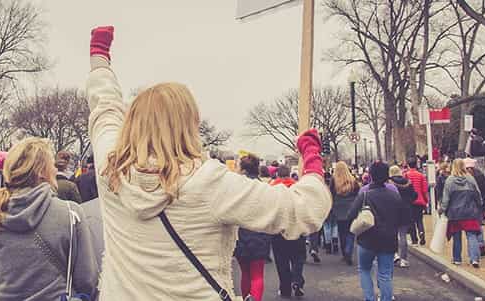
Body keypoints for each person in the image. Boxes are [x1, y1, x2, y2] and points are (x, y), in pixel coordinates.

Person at [88, 26, 331, 300]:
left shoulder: (111, 171)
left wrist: (99, 59)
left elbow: (104, 108)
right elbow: (306, 210)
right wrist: (311, 157)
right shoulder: (207, 183)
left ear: (132, 122)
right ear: (188, 125)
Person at [0, 138, 99, 300]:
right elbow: (87, 280)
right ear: (42, 171)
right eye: (52, 165)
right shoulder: (71, 213)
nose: (55, 169)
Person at [347, 161, 408, 301]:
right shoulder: (395, 195)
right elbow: (404, 219)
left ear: (371, 176)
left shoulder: (365, 195)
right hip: (388, 239)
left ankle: (369, 298)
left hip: (367, 239)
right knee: (385, 274)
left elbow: (350, 214)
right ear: (387, 176)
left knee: (364, 270)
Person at [233, 154, 273, 301]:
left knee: (245, 273)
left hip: (241, 233)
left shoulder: (236, 189)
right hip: (260, 233)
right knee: (257, 275)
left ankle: (245, 298)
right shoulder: (264, 188)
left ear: (243, 170)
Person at [269, 165, 308, 298]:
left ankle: (285, 288)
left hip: (279, 231)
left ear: (278, 175)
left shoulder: (272, 189)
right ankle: (297, 280)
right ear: (290, 174)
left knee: (281, 261)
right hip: (297, 228)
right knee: (298, 258)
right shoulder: (297, 188)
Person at [439, 159, 484, 268]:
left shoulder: (450, 180)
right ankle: (474, 259)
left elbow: (446, 198)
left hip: (455, 213)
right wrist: (480, 204)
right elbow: (477, 194)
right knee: (471, 235)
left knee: (457, 236)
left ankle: (457, 258)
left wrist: (442, 209)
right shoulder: (470, 179)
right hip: (470, 211)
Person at [330, 161, 360, 266]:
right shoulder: (353, 180)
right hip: (351, 208)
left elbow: (331, 194)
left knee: (342, 232)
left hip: (339, 208)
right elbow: (358, 194)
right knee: (351, 232)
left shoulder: (334, 181)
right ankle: (349, 250)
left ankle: (344, 252)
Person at [389, 165, 417, 268]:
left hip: (393, 210)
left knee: (393, 234)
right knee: (403, 235)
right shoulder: (408, 182)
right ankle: (404, 259)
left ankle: (395, 254)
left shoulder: (389, 183)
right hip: (406, 210)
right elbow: (415, 195)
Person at [464, 158, 485, 256]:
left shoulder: (464, 177)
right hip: (479, 204)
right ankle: (481, 244)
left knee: (470, 229)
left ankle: (475, 248)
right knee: (478, 224)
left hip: (468, 204)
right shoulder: (480, 176)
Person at [405, 158, 428, 246]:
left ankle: (414, 239)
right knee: (419, 220)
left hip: (409, 202)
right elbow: (424, 189)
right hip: (420, 201)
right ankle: (421, 233)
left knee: (411, 221)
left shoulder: (406, 175)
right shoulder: (421, 175)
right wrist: (426, 200)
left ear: (408, 165)